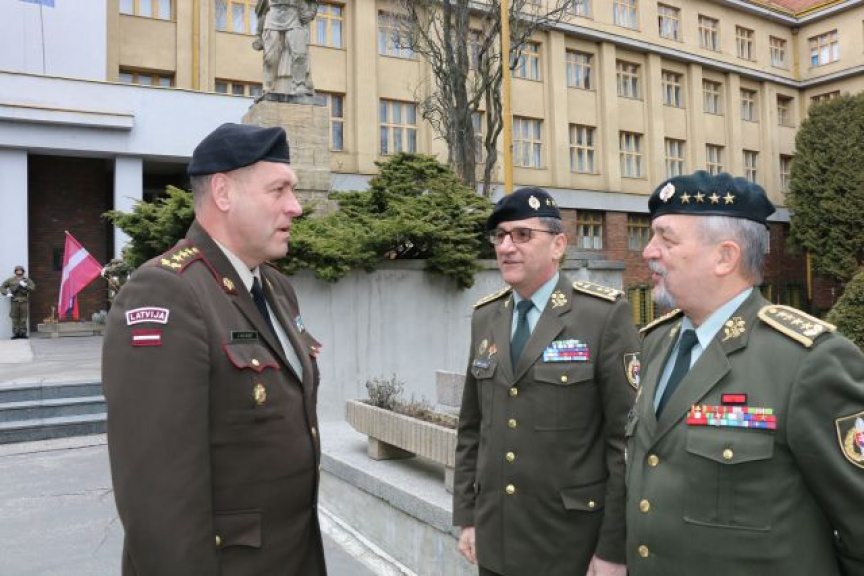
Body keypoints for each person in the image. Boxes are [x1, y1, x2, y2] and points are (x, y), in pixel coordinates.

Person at [103, 123, 326, 576]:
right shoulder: (167, 292)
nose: (295, 206)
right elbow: (157, 499)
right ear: (223, 193)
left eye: (293, 190)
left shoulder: (275, 288)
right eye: (278, 189)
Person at [626, 170, 864, 576]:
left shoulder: (807, 361)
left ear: (725, 257)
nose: (648, 251)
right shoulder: (657, 343)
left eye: (666, 239)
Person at [453, 187, 640, 576]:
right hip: (496, 539)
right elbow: (472, 428)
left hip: (570, 546)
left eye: (522, 235)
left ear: (558, 245)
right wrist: (467, 516)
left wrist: (613, 548)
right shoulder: (486, 316)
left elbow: (624, 442)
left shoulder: (601, 315)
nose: (507, 247)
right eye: (500, 235)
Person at [253, 0, 318, 96]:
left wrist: (311, 13)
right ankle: (268, 87)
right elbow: (262, 13)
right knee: (270, 58)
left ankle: (299, 85)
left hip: (294, 18)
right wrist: (258, 35)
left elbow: (313, 3)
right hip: (272, 20)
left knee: (300, 54)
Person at [2, 265, 35, 339]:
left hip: (24, 301)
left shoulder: (27, 280)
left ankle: (23, 333)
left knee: (23, 318)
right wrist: (7, 293)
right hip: (14, 301)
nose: (19, 271)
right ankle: (16, 333)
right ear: (15, 271)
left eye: (20, 270)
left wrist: (25, 286)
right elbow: (2, 287)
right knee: (15, 318)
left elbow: (33, 288)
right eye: (17, 270)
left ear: (23, 271)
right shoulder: (10, 280)